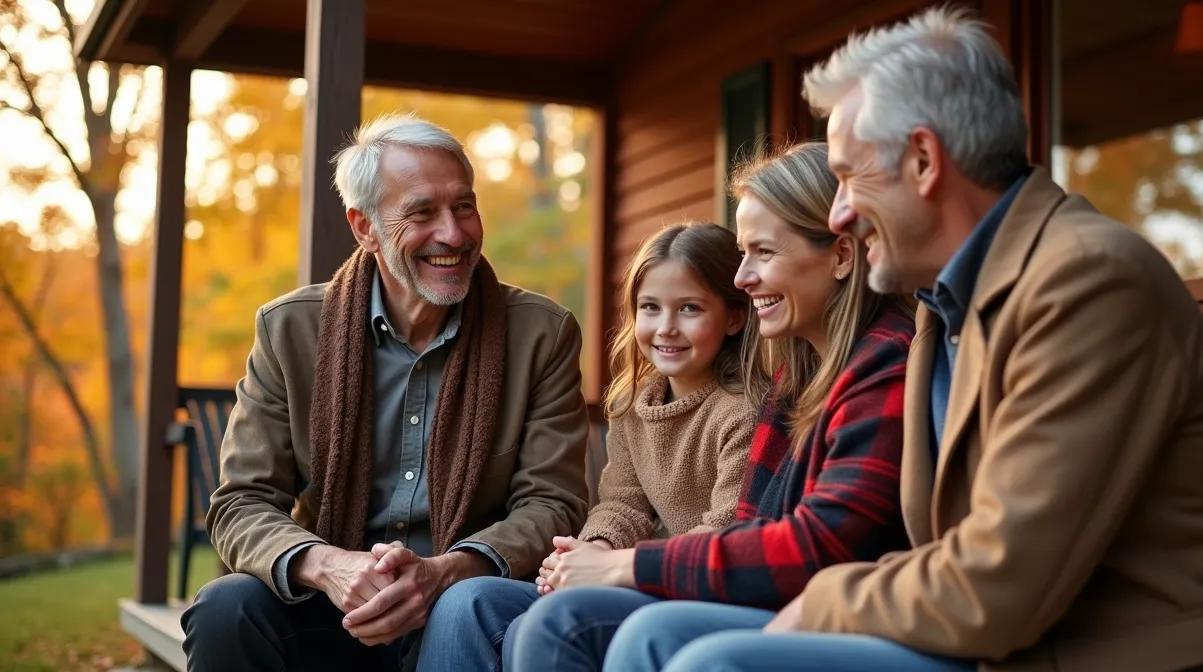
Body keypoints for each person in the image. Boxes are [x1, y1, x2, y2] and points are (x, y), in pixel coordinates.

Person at [614, 7, 1203, 672]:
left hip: (1116, 654)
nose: (841, 212)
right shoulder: (946, 309)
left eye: (849, 175)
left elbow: (1000, 583)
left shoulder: (1085, 284)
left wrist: (825, 599)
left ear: (924, 161)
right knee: (659, 641)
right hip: (1003, 641)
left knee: (715, 664)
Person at [179, 112, 592, 672]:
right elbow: (240, 503)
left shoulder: (540, 333)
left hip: (462, 603)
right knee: (227, 606)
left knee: (464, 608)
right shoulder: (290, 329)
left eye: (464, 206)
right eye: (422, 212)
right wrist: (329, 567)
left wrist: (444, 571)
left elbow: (554, 505)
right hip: (332, 604)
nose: (453, 233)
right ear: (365, 227)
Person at [501, 140, 917, 672]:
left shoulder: (883, 364)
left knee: (608, 628)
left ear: (840, 255)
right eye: (743, 254)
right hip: (772, 592)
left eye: (763, 252)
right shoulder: (798, 373)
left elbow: (818, 544)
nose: (744, 278)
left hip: (849, 608)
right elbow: (752, 522)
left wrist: (625, 565)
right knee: (498, 609)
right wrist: (595, 551)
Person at [414, 221, 758, 670]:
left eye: (690, 308)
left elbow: (727, 528)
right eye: (650, 307)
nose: (666, 327)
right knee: (469, 600)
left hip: (691, 585)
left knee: (534, 624)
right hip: (635, 572)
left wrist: (614, 568)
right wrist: (592, 548)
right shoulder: (635, 404)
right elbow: (622, 505)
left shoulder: (743, 412)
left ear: (733, 317)